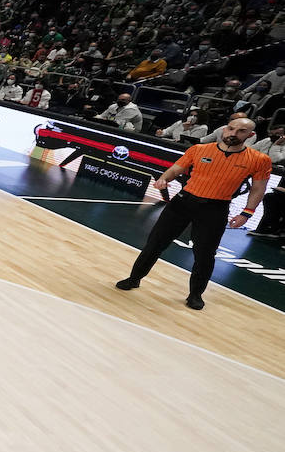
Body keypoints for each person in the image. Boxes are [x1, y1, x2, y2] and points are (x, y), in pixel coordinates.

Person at [115, 118, 271, 310]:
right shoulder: (199, 150)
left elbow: (258, 188)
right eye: (231, 129)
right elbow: (175, 169)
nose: (233, 133)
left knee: (204, 255)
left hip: (215, 209)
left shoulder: (259, 160)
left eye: (241, 131)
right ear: (224, 129)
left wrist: (247, 213)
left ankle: (195, 295)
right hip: (183, 202)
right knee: (155, 244)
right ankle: (134, 279)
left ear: (250, 135)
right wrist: (163, 179)